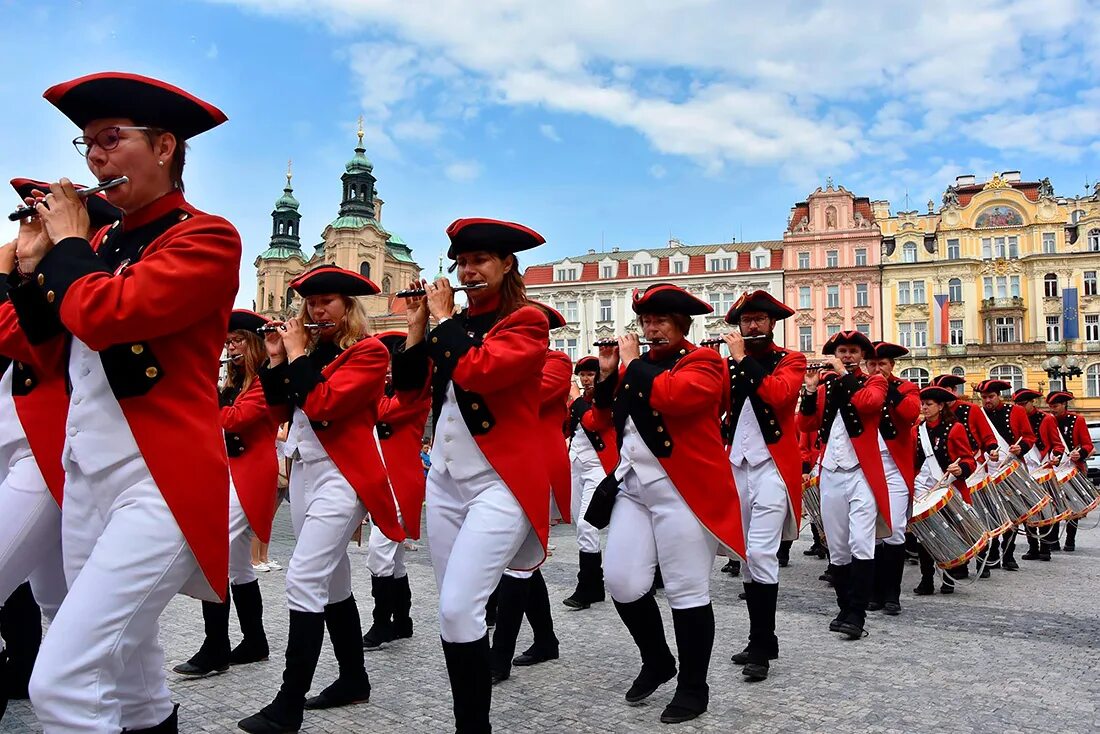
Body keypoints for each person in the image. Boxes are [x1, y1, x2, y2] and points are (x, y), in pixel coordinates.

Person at [10, 72, 239, 732]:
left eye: (112, 139)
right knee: (132, 673)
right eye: (87, 143)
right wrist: (30, 267)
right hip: (89, 478)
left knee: (62, 680)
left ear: (164, 146)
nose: (95, 158)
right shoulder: (102, 245)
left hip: (158, 482)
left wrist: (71, 244)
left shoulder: (206, 237)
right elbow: (48, 346)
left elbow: (109, 314)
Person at [392, 218, 550, 734]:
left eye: (480, 260)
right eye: (462, 263)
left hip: (499, 484)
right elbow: (408, 390)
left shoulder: (526, 323)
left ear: (507, 265)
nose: (468, 270)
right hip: (445, 481)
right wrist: (418, 323)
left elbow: (481, 371)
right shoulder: (450, 328)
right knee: (454, 611)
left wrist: (442, 320)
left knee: (461, 608)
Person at [240, 264, 403, 733]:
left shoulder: (369, 352)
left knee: (303, 577)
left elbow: (323, 403)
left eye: (327, 301)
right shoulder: (305, 353)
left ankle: (288, 702)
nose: (316, 309)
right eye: (310, 302)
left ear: (348, 308)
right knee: (333, 583)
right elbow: (277, 409)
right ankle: (354, 678)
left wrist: (295, 356)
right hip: (307, 470)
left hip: (343, 474)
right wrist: (275, 359)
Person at [587, 283, 744, 725]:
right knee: (620, 581)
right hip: (635, 489)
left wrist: (633, 364)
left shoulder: (706, 361)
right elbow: (599, 421)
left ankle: (695, 686)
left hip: (684, 493)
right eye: (645, 322)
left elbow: (676, 397)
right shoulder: (633, 368)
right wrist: (606, 373)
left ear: (681, 326)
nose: (650, 329)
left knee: (686, 591)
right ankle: (657, 659)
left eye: (660, 322)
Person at [0, 177, 119, 719]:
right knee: (58, 605)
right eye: (25, 219)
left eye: (38, 218)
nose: (26, 230)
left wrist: (7, 276)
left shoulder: (67, 283)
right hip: (19, 450)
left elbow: (22, 339)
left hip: (44, 453)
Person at [174, 310, 279, 678]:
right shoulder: (232, 383)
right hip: (229, 471)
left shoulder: (266, 380)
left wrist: (206, 394)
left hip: (251, 472)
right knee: (236, 564)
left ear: (252, 344)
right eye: (228, 341)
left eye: (236, 340)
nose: (230, 347)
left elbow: (233, 420)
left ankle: (214, 647)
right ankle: (255, 640)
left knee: (212, 548)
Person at [719, 290, 804, 682]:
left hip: (772, 467)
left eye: (758, 320)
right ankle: (763, 639)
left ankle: (760, 647)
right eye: (745, 320)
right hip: (737, 463)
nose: (751, 326)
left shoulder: (791, 359)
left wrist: (740, 359)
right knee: (747, 553)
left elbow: (779, 395)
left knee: (761, 553)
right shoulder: (728, 365)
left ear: (772, 323)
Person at [798, 331, 888, 641]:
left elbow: (869, 403)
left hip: (861, 472)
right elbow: (806, 425)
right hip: (831, 471)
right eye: (841, 351)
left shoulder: (875, 381)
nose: (847, 356)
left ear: (862, 355)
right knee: (836, 545)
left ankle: (858, 613)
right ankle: (844, 607)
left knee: (861, 542)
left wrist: (840, 373)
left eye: (852, 351)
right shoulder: (826, 386)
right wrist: (809, 391)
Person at [362, 331, 431, 651]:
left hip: (400, 483)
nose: (388, 369)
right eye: (384, 363)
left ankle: (381, 623)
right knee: (395, 558)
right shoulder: (381, 392)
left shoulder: (413, 394)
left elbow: (383, 411)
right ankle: (402, 621)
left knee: (380, 552)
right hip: (382, 481)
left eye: (393, 363)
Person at [865, 342, 920, 616]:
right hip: (866, 466)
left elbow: (910, 414)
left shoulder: (906, 387)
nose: (877, 368)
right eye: (872, 364)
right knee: (870, 530)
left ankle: (892, 594)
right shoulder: (859, 385)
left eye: (882, 364)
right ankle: (873, 593)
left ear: (891, 366)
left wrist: (889, 388)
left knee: (896, 528)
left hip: (893, 466)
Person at [562, 355, 617, 609]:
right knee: (579, 523)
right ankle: (594, 586)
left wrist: (574, 401)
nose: (585, 379)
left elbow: (594, 423)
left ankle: (588, 585)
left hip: (599, 468)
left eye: (590, 374)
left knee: (587, 525)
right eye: (582, 375)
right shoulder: (578, 402)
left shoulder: (608, 396)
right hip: (576, 465)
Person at [911, 386, 977, 595]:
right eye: (923, 404)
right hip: (923, 488)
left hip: (948, 488)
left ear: (940, 406)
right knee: (924, 536)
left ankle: (948, 579)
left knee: (948, 533)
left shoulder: (955, 428)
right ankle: (926, 579)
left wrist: (961, 468)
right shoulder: (917, 430)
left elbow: (969, 459)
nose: (925, 408)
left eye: (929, 404)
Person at [975, 379, 1036, 575]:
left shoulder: (1016, 412)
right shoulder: (979, 414)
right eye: (984, 397)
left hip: (1011, 466)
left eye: (990, 397)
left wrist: (1022, 447)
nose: (987, 401)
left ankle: (1008, 554)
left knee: (1011, 513)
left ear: (999, 395)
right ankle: (992, 552)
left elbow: (1029, 437)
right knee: (990, 511)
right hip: (986, 467)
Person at [1014, 388, 1065, 561]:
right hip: (1023, 469)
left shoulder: (1047, 419)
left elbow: (1057, 444)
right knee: (1027, 511)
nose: (1020, 407)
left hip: (1042, 467)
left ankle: (1045, 548)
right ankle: (1032, 548)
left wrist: (1055, 457)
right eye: (1018, 405)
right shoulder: (1015, 419)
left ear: (1032, 402)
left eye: (1023, 404)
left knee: (1044, 511)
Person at [1047, 391, 1095, 552]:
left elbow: (1087, 445)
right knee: (1052, 504)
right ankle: (1052, 540)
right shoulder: (1048, 421)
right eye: (1050, 407)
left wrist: (1079, 453)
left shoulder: (1077, 420)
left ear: (1064, 405)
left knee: (1073, 504)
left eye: (1055, 406)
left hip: (1073, 467)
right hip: (1054, 468)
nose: (1052, 410)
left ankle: (1070, 539)